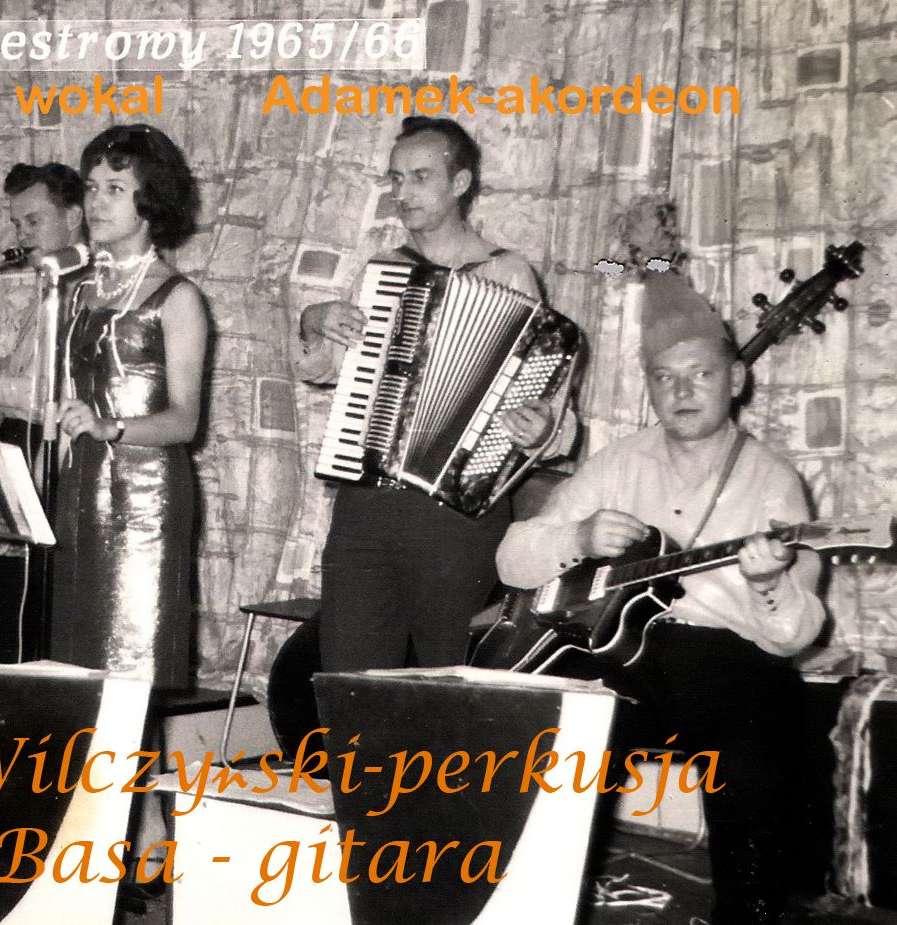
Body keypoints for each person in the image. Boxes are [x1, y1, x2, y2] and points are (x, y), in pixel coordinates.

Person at [496, 270, 825, 924]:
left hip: (730, 658)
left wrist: (767, 582)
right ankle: (526, 905)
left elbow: (796, 634)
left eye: (700, 374)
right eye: (663, 377)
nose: (680, 392)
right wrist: (577, 536)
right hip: (621, 655)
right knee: (549, 735)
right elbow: (511, 558)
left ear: (736, 379)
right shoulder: (618, 462)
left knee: (753, 757)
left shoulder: (773, 481)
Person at [297, 116, 577, 672]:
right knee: (351, 675)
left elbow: (552, 408)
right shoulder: (383, 271)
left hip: (457, 514)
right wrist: (313, 320)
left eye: (420, 177)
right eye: (396, 179)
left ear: (460, 183)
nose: (402, 192)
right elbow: (327, 370)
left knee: (448, 677)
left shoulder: (509, 272)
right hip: (366, 501)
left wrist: (541, 429)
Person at [51, 123, 207, 689]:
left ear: (150, 201)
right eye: (91, 188)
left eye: (115, 189)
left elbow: (185, 421)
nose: (96, 202)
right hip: (80, 489)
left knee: (133, 668)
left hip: (146, 498)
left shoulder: (178, 296)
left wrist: (107, 426)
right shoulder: (76, 289)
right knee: (77, 668)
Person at [0, 162, 87, 662]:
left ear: (74, 216)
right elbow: (32, 372)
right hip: (19, 451)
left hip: (52, 463)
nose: (21, 235)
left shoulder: (85, 290)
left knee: (17, 620)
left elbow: (67, 391)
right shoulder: (51, 286)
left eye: (33, 221)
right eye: (17, 223)